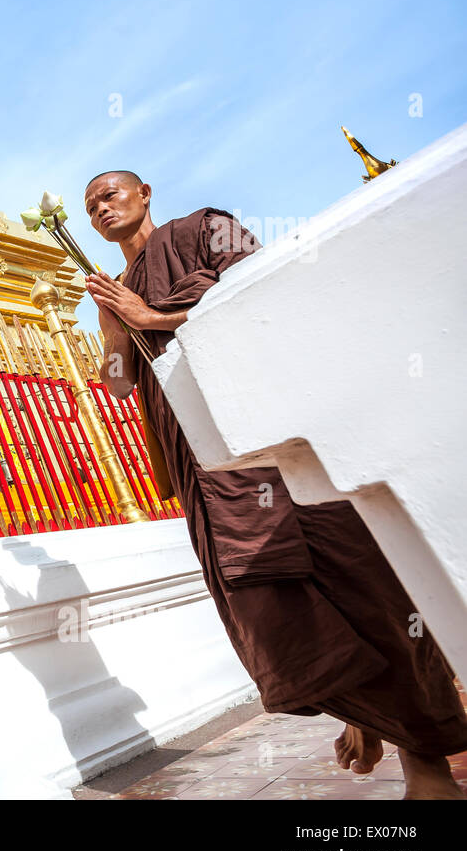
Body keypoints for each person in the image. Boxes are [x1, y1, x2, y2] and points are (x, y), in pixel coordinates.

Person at [83, 170, 467, 799]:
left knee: (356, 581)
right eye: (90, 204)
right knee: (274, 609)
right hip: (207, 470)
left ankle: (424, 764)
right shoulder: (117, 290)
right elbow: (122, 384)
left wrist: (154, 313)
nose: (100, 207)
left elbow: (262, 300)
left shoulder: (204, 228)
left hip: (274, 445)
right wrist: (116, 327)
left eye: (110, 194)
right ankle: (360, 714)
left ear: (145, 193)